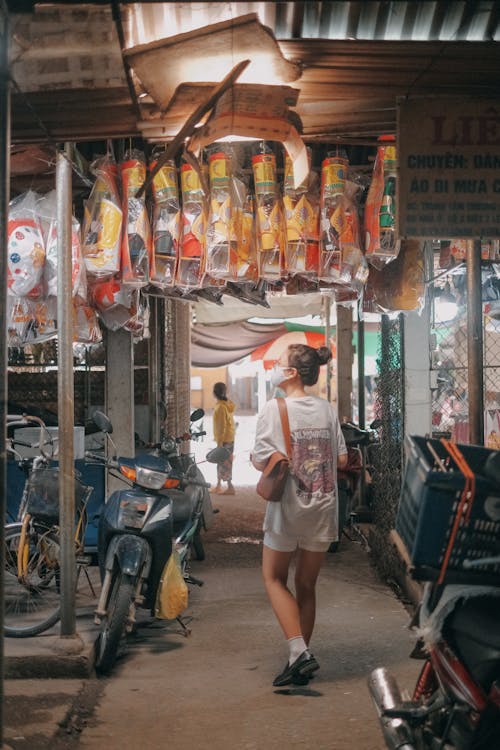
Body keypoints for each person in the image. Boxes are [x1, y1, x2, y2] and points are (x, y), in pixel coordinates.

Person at [251, 344, 348, 687]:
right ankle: (299, 660)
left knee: (273, 578)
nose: (274, 368)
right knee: (306, 585)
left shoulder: (273, 409)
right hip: (322, 508)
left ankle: (298, 652)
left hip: (288, 510)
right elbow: (340, 460)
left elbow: (260, 461)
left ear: (291, 373)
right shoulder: (327, 410)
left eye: (278, 364)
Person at [211, 381, 236, 495]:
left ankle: (230, 487)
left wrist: (220, 443)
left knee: (225, 463)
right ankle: (218, 485)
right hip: (228, 438)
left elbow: (222, 426)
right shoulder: (226, 404)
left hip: (224, 440)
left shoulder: (221, 407)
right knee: (221, 462)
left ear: (214, 393)